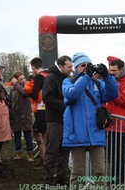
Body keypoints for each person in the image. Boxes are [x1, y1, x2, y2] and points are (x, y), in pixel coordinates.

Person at [62, 53, 119, 186]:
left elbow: (113, 94)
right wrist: (87, 76)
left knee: (100, 171)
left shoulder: (97, 83)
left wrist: (107, 76)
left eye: (88, 65)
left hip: (96, 133)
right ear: (76, 68)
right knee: (77, 172)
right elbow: (72, 94)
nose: (86, 68)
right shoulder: (68, 81)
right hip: (76, 134)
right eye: (83, 66)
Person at [42, 55, 73, 186]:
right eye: (69, 67)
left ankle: (61, 178)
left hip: (66, 121)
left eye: (72, 66)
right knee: (52, 152)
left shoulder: (67, 79)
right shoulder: (51, 78)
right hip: (55, 121)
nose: (71, 69)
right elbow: (47, 97)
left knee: (64, 152)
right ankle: (48, 182)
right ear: (60, 66)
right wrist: (65, 106)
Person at [106, 56, 125, 184]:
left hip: (123, 125)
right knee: (113, 154)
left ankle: (124, 177)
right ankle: (115, 176)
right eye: (110, 70)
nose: (111, 73)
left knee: (123, 154)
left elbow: (124, 100)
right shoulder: (111, 80)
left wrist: (112, 90)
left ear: (122, 69)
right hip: (111, 124)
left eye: (114, 70)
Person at [8, 71, 34, 162]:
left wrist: (16, 84)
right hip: (16, 116)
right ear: (17, 80)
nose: (23, 80)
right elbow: (10, 102)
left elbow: (24, 93)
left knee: (28, 136)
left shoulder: (27, 87)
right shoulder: (12, 90)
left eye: (24, 78)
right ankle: (19, 153)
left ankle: (30, 154)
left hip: (26, 115)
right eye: (20, 79)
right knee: (17, 136)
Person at [29, 57, 48, 168]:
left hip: (41, 109)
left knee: (39, 133)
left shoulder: (38, 77)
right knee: (43, 133)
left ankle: (44, 158)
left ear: (33, 67)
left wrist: (27, 92)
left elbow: (35, 94)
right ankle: (46, 158)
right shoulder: (48, 75)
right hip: (48, 109)